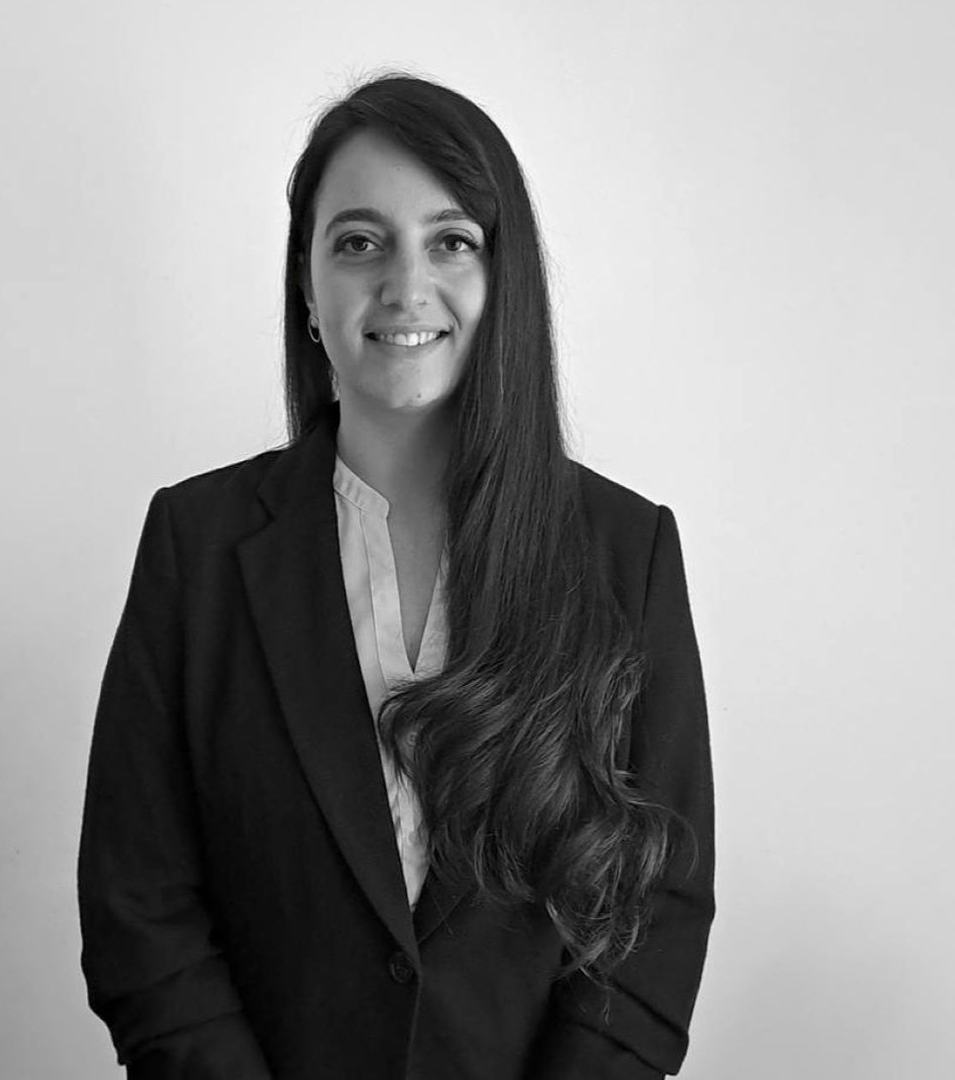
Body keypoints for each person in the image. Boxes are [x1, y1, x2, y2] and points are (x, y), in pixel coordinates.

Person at [78, 73, 714, 1080]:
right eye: (359, 242)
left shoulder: (625, 552)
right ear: (306, 285)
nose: (406, 287)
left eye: (451, 241)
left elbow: (657, 911)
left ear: (503, 277)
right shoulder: (195, 546)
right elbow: (139, 904)